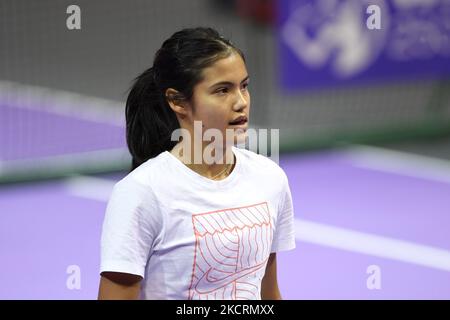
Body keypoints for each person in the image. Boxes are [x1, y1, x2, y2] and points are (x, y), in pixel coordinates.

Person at [98, 27, 295, 300]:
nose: (241, 102)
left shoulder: (270, 179)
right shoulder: (141, 193)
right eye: (222, 90)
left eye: (244, 86)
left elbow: (268, 293)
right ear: (178, 101)